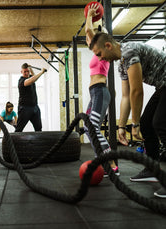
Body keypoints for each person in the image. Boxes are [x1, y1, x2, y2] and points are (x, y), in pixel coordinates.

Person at [89, 32, 166, 198]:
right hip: (161, 86)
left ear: (108, 46)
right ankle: (152, 168)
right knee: (147, 124)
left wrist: (134, 124)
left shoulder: (129, 52)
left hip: (164, 84)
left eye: (100, 54)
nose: (101, 59)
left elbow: (137, 91)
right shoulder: (121, 64)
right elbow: (126, 96)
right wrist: (122, 127)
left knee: (159, 123)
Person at [84, 3, 119, 176]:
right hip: (95, 93)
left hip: (100, 91)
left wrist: (89, 15)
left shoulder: (104, 52)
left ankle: (111, 164)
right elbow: (89, 36)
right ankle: (104, 161)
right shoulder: (97, 52)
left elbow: (89, 33)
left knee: (94, 128)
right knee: (88, 127)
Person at [15, 63, 46, 132]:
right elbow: (32, 80)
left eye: (27, 71)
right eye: (24, 71)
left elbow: (34, 77)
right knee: (19, 129)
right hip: (24, 108)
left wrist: (31, 68)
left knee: (38, 129)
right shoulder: (21, 81)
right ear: (21, 72)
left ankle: (39, 142)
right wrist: (41, 72)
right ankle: (13, 142)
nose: (26, 73)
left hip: (35, 107)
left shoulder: (30, 77)